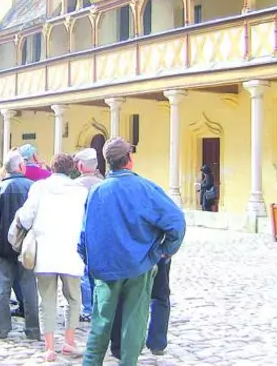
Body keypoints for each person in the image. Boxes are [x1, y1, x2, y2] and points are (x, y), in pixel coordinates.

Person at [80, 138, 186, 366]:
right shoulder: (145, 188)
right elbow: (176, 221)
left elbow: (84, 235)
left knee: (100, 325)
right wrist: (164, 251)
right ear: (129, 160)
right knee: (133, 324)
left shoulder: (96, 192)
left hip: (107, 268)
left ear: (108, 162)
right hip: (138, 266)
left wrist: (90, 261)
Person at [18, 153, 87, 361]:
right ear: (71, 169)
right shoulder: (81, 191)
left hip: (46, 250)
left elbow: (26, 217)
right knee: (74, 298)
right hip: (71, 250)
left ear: (52, 168)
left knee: (46, 299)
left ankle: (49, 347)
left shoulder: (39, 187)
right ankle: (69, 341)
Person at [0, 150, 40, 341]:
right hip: (27, 246)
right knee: (29, 287)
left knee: (3, 288)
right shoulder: (32, 187)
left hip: (3, 246)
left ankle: (2, 329)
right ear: (20, 167)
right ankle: (33, 329)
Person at [73, 148, 103, 322]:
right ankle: (98, 305)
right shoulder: (103, 184)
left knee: (83, 271)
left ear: (81, 165)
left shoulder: (76, 185)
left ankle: (88, 308)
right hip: (100, 232)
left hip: (79, 231)